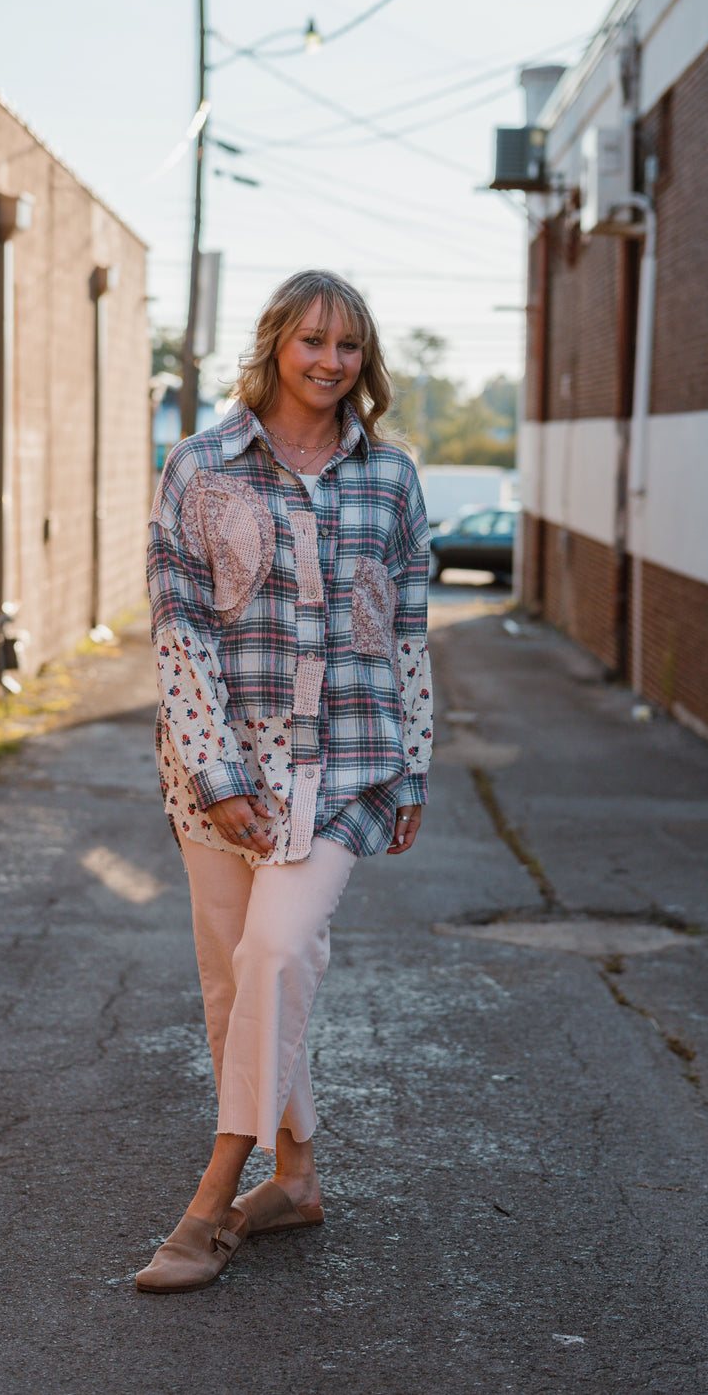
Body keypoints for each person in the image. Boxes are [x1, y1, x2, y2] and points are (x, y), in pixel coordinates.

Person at [137, 269, 433, 1293]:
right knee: (233, 988)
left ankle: (211, 1201)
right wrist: (217, 772)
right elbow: (179, 632)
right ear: (275, 343)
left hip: (347, 761)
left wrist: (416, 762)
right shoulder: (199, 465)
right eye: (313, 340)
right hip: (218, 762)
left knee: (274, 953)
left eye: (349, 345)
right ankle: (297, 1177)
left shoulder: (391, 478)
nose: (331, 362)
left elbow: (407, 631)